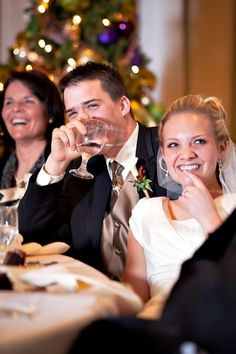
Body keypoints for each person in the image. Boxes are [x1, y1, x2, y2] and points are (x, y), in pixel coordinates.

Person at [18, 61, 170, 281]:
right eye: (72, 112)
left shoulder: (167, 146)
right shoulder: (78, 170)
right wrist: (55, 163)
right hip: (99, 299)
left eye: (92, 106)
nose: (83, 119)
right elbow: (31, 234)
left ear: (123, 106)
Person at [123, 94, 236, 318]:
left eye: (199, 141)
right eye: (174, 145)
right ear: (163, 155)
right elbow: (134, 299)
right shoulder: (146, 212)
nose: (186, 154)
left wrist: (209, 219)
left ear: (221, 147)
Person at [67, 207, 236, 354]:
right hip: (155, 315)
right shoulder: (147, 210)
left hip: (214, 318)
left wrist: (210, 218)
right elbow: (135, 295)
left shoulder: (231, 204)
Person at [0, 69, 65, 204]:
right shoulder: (2, 165)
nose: (16, 108)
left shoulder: (64, 169)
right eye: (9, 102)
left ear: (50, 113)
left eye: (28, 101)